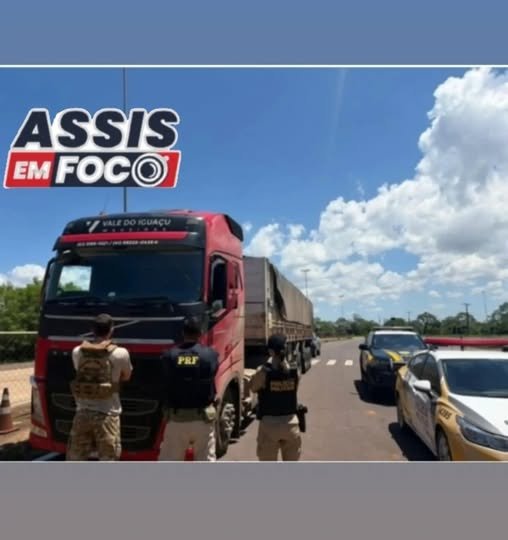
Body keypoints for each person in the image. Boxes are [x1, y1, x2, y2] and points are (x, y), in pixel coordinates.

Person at [66, 313, 132, 461]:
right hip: (107, 415)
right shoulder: (121, 353)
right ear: (111, 329)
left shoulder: (77, 351)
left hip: (82, 413)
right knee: (108, 460)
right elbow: (127, 376)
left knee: (76, 459)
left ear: (92, 330)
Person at [159, 316, 219, 461]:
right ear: (201, 333)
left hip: (177, 419)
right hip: (203, 419)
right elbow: (212, 372)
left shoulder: (169, 356)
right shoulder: (210, 355)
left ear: (183, 333)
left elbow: (164, 380)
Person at [249, 334, 302, 461]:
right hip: (291, 425)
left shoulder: (263, 371)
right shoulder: (295, 371)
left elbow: (253, 388)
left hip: (269, 426)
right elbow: (294, 390)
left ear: (271, 351)